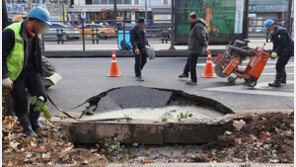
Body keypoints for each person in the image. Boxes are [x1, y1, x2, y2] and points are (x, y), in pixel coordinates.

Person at [2, 7, 51, 137]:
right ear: (34, 22)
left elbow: (36, 56)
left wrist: (40, 73)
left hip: (32, 71)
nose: (44, 28)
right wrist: (4, 76)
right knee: (21, 102)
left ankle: (34, 123)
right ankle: (27, 128)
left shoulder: (35, 34)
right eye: (43, 25)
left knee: (41, 96)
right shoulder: (11, 32)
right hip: (16, 74)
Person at [179, 12, 209, 85]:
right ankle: (185, 73)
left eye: (189, 18)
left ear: (193, 18)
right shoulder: (196, 24)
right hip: (194, 47)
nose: (189, 19)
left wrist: (205, 45)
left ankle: (194, 80)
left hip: (196, 48)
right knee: (189, 61)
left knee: (192, 64)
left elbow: (201, 37)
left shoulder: (198, 26)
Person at [263, 20, 294, 87]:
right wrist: (273, 51)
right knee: (281, 64)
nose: (267, 30)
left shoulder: (280, 31)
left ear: (272, 26)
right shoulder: (274, 32)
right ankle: (283, 79)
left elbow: (282, 44)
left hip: (287, 49)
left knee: (279, 65)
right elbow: (275, 44)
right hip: (284, 49)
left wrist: (276, 52)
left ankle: (277, 82)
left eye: (268, 28)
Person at [129, 17, 150, 82]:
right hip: (137, 48)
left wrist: (146, 42)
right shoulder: (133, 30)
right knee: (138, 61)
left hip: (143, 47)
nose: (143, 25)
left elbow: (144, 37)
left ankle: (137, 70)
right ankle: (138, 75)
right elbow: (132, 40)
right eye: (142, 24)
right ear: (138, 23)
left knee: (144, 60)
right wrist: (135, 48)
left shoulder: (141, 29)